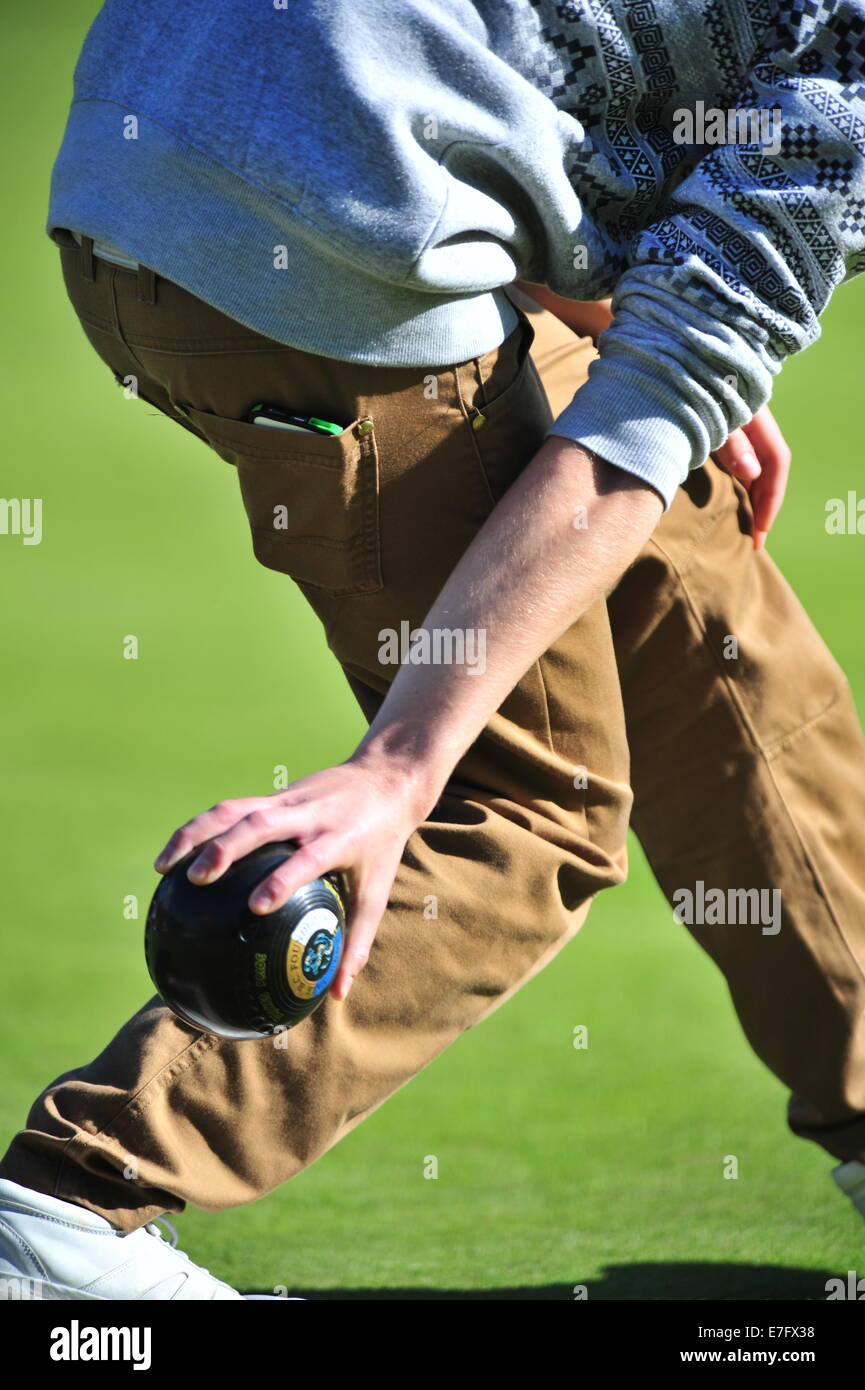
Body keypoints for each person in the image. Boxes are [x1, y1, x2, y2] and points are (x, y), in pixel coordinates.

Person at [2, 0, 865, 1300]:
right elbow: (643, 407)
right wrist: (400, 761)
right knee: (525, 800)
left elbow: (508, 58)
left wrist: (644, 333)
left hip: (140, 143)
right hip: (303, 249)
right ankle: (72, 1207)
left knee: (692, 586)